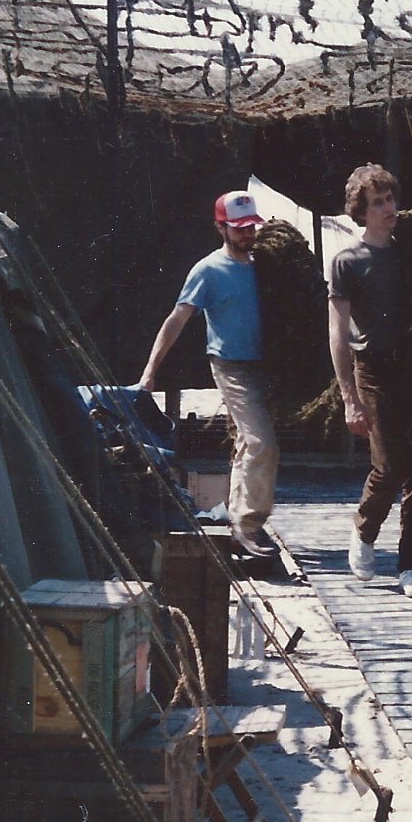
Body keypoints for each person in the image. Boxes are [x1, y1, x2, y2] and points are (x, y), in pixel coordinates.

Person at [140, 190, 278, 559]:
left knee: (247, 445)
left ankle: (238, 517)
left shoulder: (267, 264)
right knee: (261, 442)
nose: (247, 234)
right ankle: (248, 528)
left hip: (265, 366)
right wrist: (151, 370)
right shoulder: (207, 271)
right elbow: (177, 320)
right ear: (220, 227)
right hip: (230, 366)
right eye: (239, 228)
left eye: (251, 227)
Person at [328, 164, 412, 599]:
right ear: (362, 210)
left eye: (391, 198)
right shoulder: (348, 261)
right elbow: (337, 330)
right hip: (373, 369)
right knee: (390, 465)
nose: (389, 208)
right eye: (378, 202)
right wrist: (348, 396)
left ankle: (411, 566)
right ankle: (364, 529)